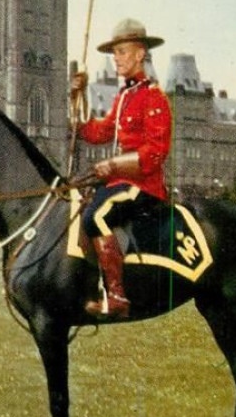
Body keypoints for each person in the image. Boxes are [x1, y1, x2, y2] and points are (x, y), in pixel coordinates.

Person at [71, 18, 172, 320]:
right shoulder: (124, 96)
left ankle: (117, 296)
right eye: (114, 53)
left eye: (122, 51)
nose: (116, 58)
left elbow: (155, 154)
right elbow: (96, 132)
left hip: (144, 187)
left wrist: (113, 164)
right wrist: (78, 96)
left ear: (141, 54)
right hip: (119, 184)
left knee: (95, 216)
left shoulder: (153, 97)